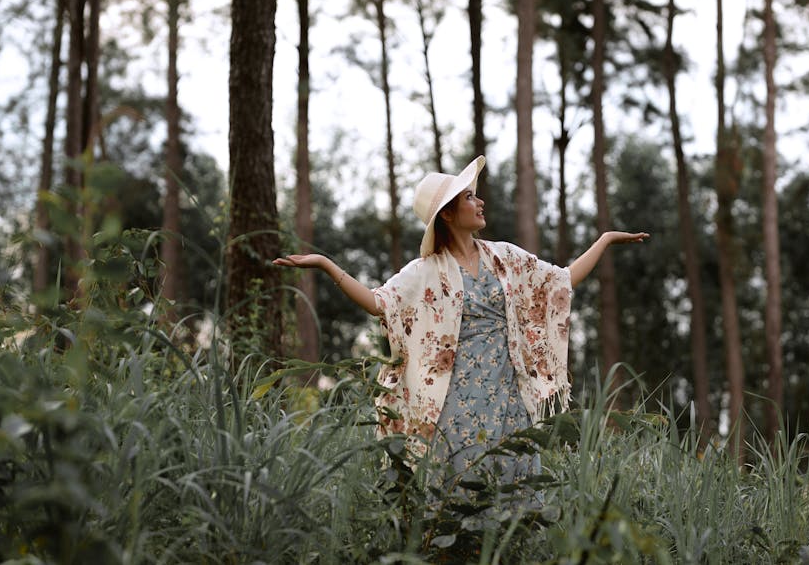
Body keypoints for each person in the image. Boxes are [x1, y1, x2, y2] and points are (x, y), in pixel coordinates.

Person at [273, 155, 648, 489]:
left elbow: (560, 280)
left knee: (513, 487)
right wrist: (325, 265)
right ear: (448, 215)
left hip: (507, 397)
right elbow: (377, 303)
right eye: (469, 197)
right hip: (455, 402)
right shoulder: (424, 271)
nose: (480, 201)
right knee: (459, 487)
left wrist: (605, 240)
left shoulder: (505, 258)